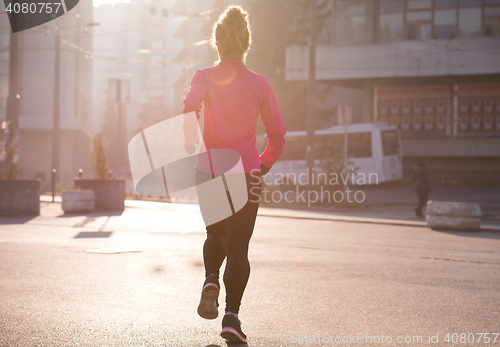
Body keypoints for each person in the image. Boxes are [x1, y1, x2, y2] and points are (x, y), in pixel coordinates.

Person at [182, 5, 286, 343]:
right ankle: (231, 317)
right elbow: (278, 135)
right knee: (239, 248)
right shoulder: (259, 84)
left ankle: (210, 278)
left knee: (216, 233)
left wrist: (189, 138)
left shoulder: (204, 76)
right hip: (246, 174)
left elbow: (189, 106)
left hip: (210, 169)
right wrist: (263, 164)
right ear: (246, 43)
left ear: (217, 42)